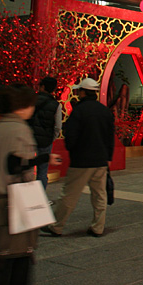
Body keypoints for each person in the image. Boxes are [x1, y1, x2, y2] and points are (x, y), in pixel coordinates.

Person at [0, 84, 62, 285]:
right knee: (13, 263)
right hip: (13, 204)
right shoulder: (20, 129)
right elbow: (16, 166)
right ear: (23, 106)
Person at [42, 78, 114, 238]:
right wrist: (108, 156)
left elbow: (71, 136)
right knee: (100, 195)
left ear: (82, 92)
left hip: (81, 160)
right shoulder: (105, 111)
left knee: (69, 194)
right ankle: (98, 226)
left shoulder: (79, 111)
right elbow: (110, 137)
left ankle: (57, 226)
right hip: (101, 160)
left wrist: (72, 150)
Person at [27, 76, 62, 190]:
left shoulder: (31, 100)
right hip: (45, 141)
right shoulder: (56, 105)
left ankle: (26, 197)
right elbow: (58, 126)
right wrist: (51, 138)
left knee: (28, 168)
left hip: (29, 139)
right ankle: (40, 198)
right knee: (42, 170)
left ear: (42, 86)